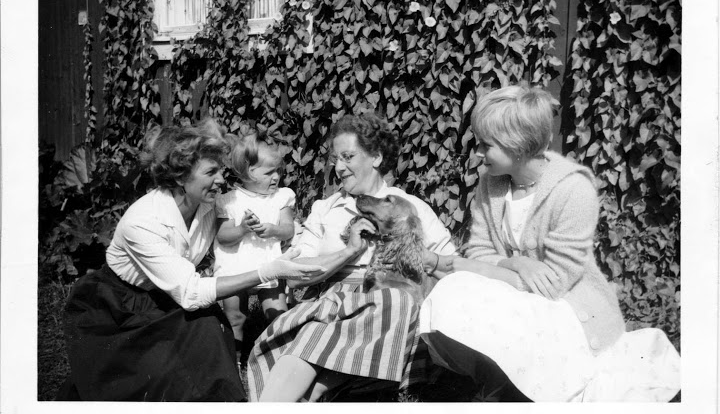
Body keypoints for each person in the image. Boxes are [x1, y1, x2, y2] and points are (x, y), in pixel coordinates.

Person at [418, 85, 681, 401]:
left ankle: (510, 391)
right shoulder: (491, 184)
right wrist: (516, 262)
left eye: (486, 145)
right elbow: (478, 250)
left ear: (516, 146)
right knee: (453, 288)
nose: (477, 152)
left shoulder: (572, 188)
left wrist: (495, 272)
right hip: (517, 294)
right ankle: (498, 384)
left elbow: (554, 281)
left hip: (568, 305)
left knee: (480, 295)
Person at [57, 118, 325, 402]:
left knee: (209, 333)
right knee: (143, 381)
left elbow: (261, 225)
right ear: (180, 178)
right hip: (119, 305)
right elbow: (191, 292)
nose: (221, 180)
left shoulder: (208, 205)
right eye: (210, 172)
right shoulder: (143, 221)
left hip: (167, 297)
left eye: (220, 170)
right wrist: (267, 272)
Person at [247, 112, 458, 402]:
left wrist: (411, 258)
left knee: (391, 302)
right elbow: (293, 275)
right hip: (335, 305)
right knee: (317, 333)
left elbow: (451, 269)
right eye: (335, 159)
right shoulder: (326, 209)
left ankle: (304, 395)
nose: (339, 167)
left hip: (389, 310)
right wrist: (348, 252)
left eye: (348, 157)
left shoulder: (409, 207)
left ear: (376, 157)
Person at [214, 129, 295, 362]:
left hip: (268, 263)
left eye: (278, 171)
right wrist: (242, 229)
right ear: (248, 172)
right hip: (235, 266)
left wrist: (273, 230)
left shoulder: (281, 197)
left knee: (277, 314)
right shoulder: (229, 201)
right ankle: (235, 361)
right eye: (269, 172)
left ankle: (281, 359)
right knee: (235, 317)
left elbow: (288, 229)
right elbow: (223, 236)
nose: (276, 177)